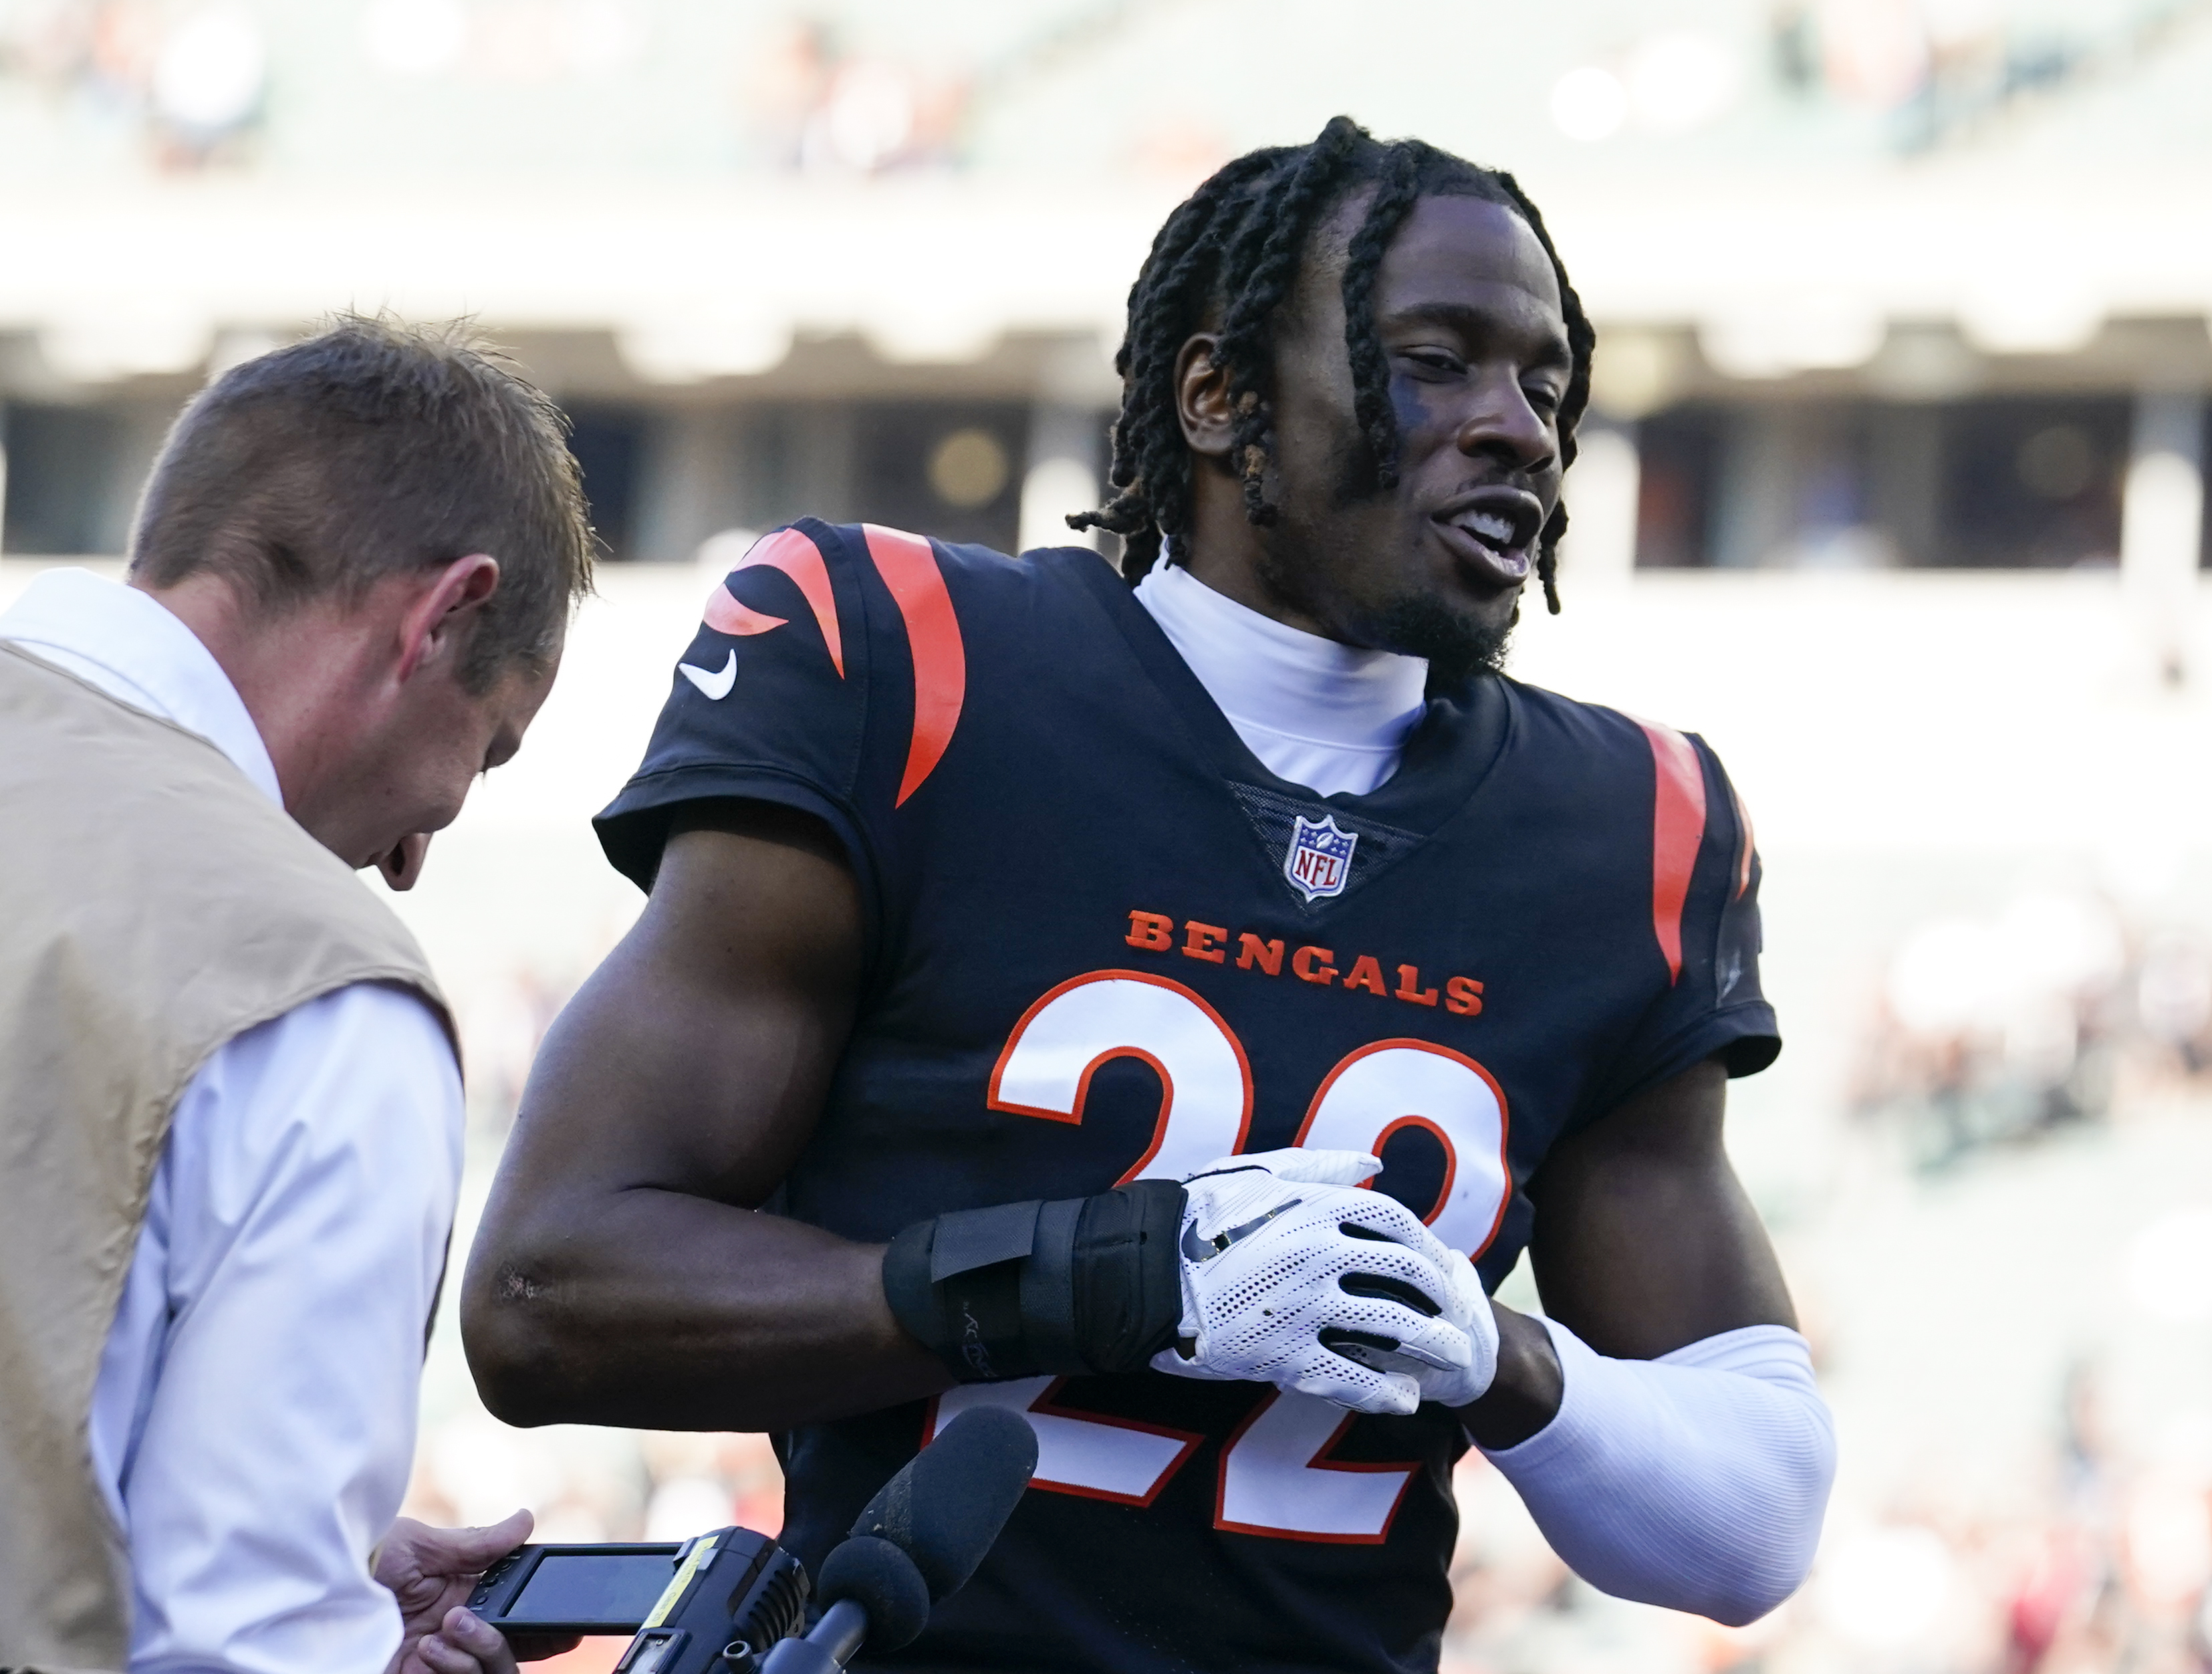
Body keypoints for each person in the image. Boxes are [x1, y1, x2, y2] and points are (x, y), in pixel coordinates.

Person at [465, 118, 1835, 1672]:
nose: (1516, 426)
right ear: (1217, 398)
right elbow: (545, 1292)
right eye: (1436, 359)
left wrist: (1496, 1358)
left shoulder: (1628, 827)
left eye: (1543, 385)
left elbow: (1754, 1525)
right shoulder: (914, 666)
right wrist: (1094, 1277)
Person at [0, 318, 593, 1674]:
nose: (413, 855)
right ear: (444, 613)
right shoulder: (322, 990)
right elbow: (235, 1648)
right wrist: (320, 1626)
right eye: (485, 750)